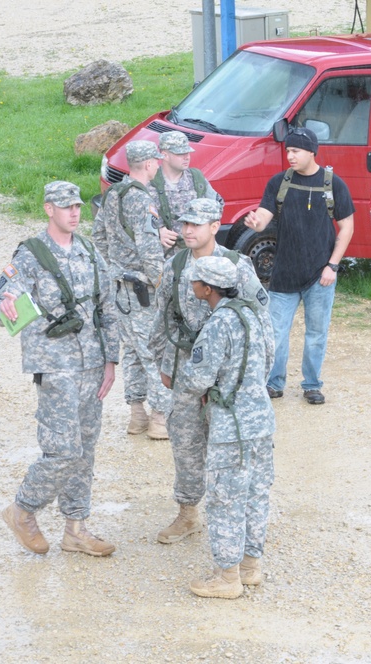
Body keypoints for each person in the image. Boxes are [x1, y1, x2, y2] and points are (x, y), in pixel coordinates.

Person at [0, 181, 119, 557]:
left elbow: (106, 309)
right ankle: (23, 510)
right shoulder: (30, 255)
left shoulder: (90, 252)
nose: (74, 213)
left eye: (77, 206)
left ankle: (76, 529)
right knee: (63, 452)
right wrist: (5, 307)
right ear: (48, 209)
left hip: (92, 365)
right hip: (55, 367)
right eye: (65, 207)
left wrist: (111, 360)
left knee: (85, 451)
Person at [148, 197, 269, 545]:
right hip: (187, 369)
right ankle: (188, 513)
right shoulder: (175, 266)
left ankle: (236, 528)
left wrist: (256, 377)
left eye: (195, 225)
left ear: (215, 227)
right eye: (184, 224)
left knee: (228, 450)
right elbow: (162, 318)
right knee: (185, 442)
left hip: (229, 377)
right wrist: (164, 363)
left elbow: (261, 322)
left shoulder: (237, 266)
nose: (187, 230)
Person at [176, 256, 275, 599]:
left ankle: (227, 576)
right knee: (256, 494)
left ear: (207, 289)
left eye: (195, 283)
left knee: (225, 498)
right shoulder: (254, 315)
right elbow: (270, 359)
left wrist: (190, 384)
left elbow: (198, 377)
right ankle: (250, 566)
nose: (192, 287)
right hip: (261, 421)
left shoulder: (218, 324)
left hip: (230, 427)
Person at [243, 127, 354, 405]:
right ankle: (274, 383)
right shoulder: (279, 182)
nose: (289, 155)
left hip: (321, 275)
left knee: (316, 333)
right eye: (288, 150)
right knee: (275, 332)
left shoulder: (333, 184)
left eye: (296, 151)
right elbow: (265, 215)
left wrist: (333, 266)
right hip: (284, 272)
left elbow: (347, 227)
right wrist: (257, 223)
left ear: (311, 152)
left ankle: (312, 385)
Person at [100, 139, 172, 439]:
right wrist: (160, 281)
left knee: (131, 351)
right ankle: (158, 419)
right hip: (144, 289)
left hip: (120, 287)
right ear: (148, 164)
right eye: (156, 161)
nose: (157, 165)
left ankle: (137, 416)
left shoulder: (113, 194)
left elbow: (98, 236)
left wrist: (114, 267)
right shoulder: (141, 199)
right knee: (154, 351)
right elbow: (149, 246)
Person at [148, 130, 217, 254]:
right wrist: (158, 230)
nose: (187, 157)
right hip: (163, 257)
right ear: (165, 155)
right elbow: (137, 216)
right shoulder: (150, 182)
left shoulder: (197, 179)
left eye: (187, 152)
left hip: (196, 255)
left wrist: (203, 229)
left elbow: (217, 207)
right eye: (180, 154)